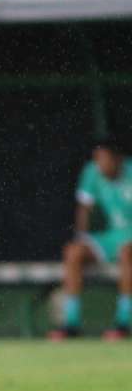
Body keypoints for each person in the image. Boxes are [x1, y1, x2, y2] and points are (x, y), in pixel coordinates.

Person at [49, 137, 132, 340]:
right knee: (73, 252)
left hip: (129, 241)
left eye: (105, 159)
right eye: (97, 159)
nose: (100, 165)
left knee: (127, 252)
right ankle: (71, 323)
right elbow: (84, 208)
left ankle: (123, 323)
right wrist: (83, 238)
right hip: (110, 237)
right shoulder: (92, 171)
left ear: (118, 159)